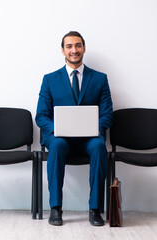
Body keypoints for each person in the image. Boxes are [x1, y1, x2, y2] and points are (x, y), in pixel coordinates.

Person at [35, 31, 113, 226]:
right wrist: (57, 129)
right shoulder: (49, 79)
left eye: (78, 45)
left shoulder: (100, 79)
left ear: (84, 48)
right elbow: (41, 116)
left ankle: (95, 209)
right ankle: (55, 208)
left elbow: (107, 114)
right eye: (69, 46)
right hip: (59, 137)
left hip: (89, 138)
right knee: (58, 144)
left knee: (98, 146)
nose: (74, 50)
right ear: (62, 50)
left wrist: (94, 127)